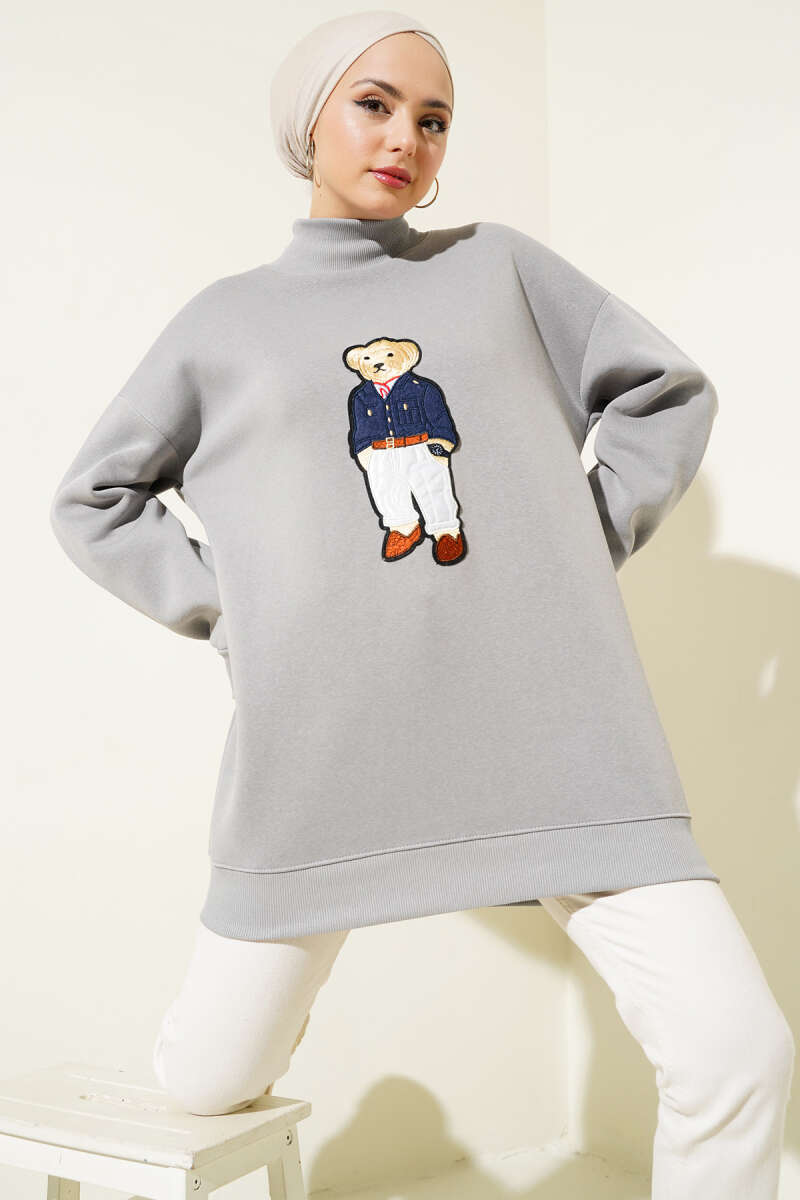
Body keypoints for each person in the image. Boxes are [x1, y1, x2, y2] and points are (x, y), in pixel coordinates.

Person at [49, 11, 793, 1194]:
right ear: (310, 121)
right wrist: (236, 614)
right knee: (205, 1080)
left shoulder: (497, 268)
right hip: (325, 757)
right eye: (374, 104)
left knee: (736, 1049)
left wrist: (572, 545)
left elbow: (663, 392)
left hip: (558, 740)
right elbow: (95, 498)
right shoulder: (224, 323)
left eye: (433, 118)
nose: (405, 137)